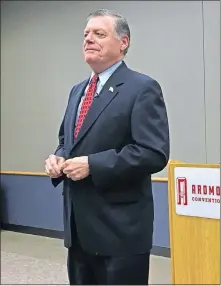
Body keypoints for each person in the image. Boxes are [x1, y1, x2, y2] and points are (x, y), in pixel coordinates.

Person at [45, 8, 170, 285]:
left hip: (120, 234)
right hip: (78, 232)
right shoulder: (77, 90)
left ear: (123, 43)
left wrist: (92, 165)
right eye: (86, 34)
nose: (89, 39)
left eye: (99, 34)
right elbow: (68, 142)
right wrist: (58, 159)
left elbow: (153, 152)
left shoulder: (142, 88)